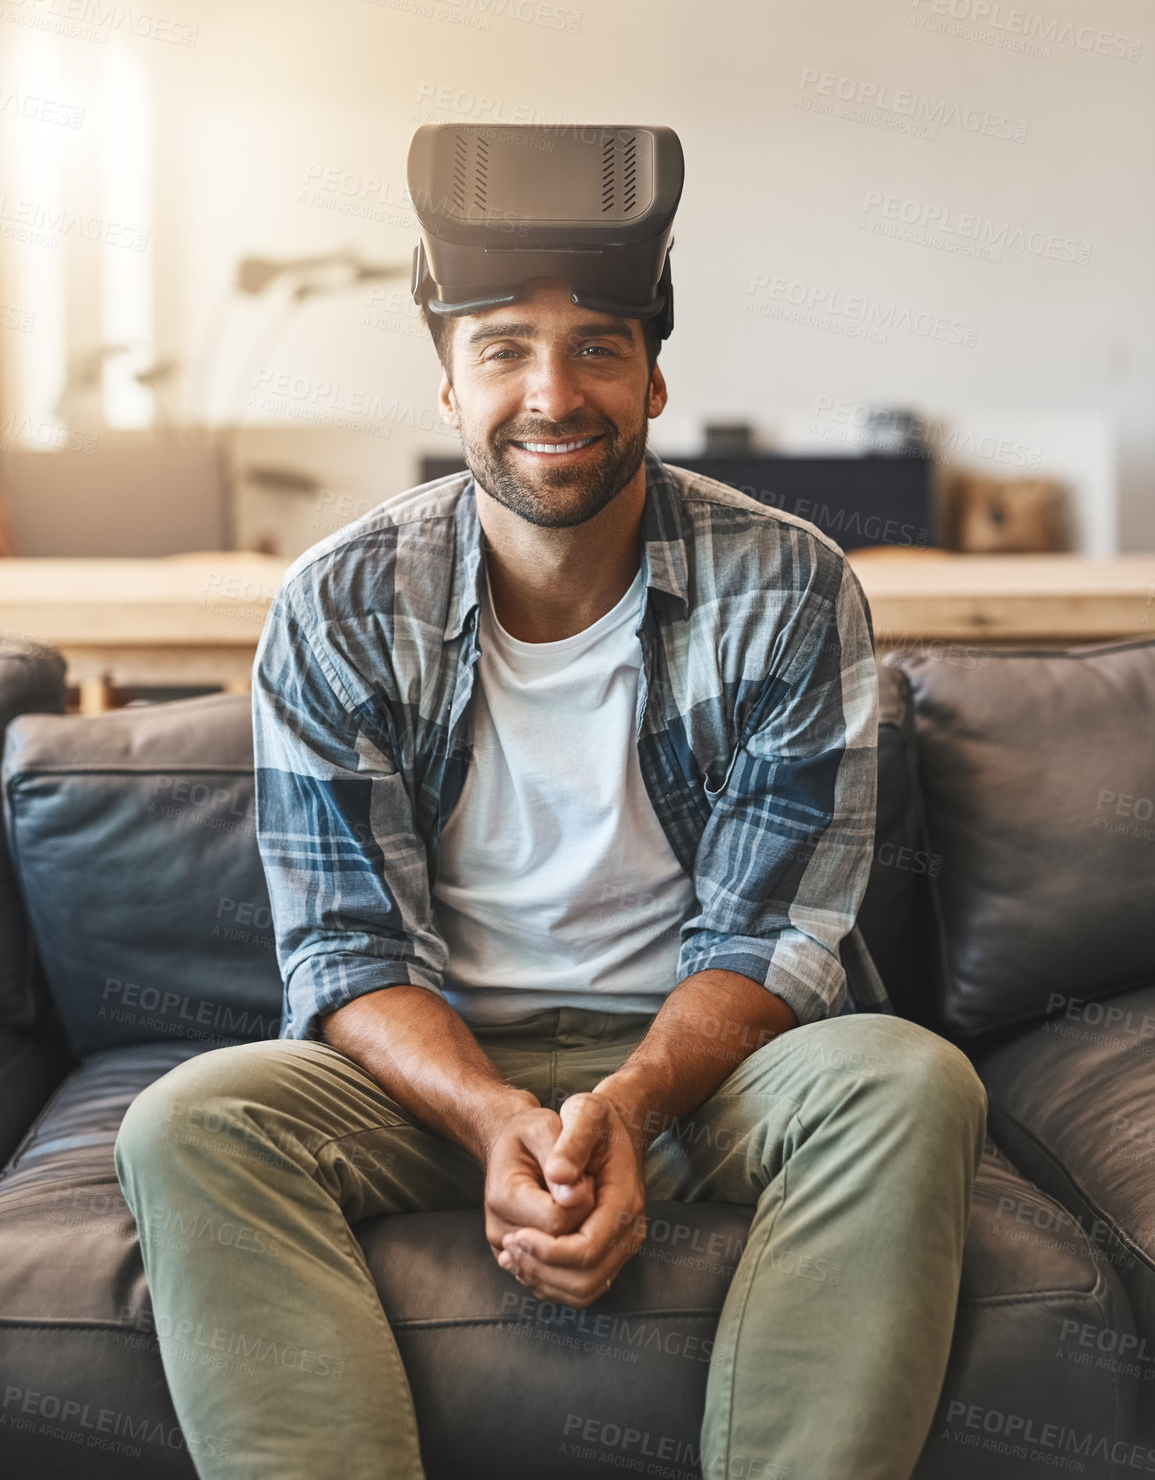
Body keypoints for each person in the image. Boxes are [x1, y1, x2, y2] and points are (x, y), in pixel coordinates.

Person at [115, 124, 987, 1480]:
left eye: (596, 346)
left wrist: (626, 1112)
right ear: (450, 389)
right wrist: (495, 1122)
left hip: (708, 1074)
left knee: (908, 1079)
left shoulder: (792, 586)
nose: (552, 391)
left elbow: (773, 940)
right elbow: (345, 952)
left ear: (652, 378)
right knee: (191, 1120)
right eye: (504, 349)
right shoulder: (340, 605)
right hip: (435, 1077)